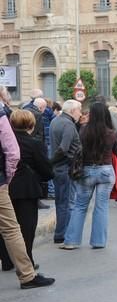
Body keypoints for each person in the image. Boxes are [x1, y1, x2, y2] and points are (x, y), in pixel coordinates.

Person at [0, 88, 54, 289]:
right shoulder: (2, 117)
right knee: (16, 229)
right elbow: (12, 154)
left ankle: (9, 261)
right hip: (12, 186)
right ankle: (27, 272)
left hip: (9, 185)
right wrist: (7, 176)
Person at [61, 102, 117, 250]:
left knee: (80, 206)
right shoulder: (111, 133)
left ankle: (71, 241)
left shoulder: (84, 131)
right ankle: (98, 242)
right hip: (105, 170)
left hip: (86, 170)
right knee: (102, 206)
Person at [8, 110, 54, 268]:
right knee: (26, 228)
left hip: (6, 188)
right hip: (27, 190)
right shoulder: (34, 144)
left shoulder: (5, 141)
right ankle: (27, 262)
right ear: (31, 124)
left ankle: (7, 261)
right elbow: (46, 170)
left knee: (6, 227)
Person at [49, 100, 82, 244]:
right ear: (73, 111)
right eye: (79, 111)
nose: (80, 114)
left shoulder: (55, 121)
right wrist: (51, 161)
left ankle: (60, 232)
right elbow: (64, 148)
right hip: (66, 168)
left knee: (61, 202)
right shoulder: (68, 124)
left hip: (59, 168)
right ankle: (63, 233)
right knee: (68, 202)